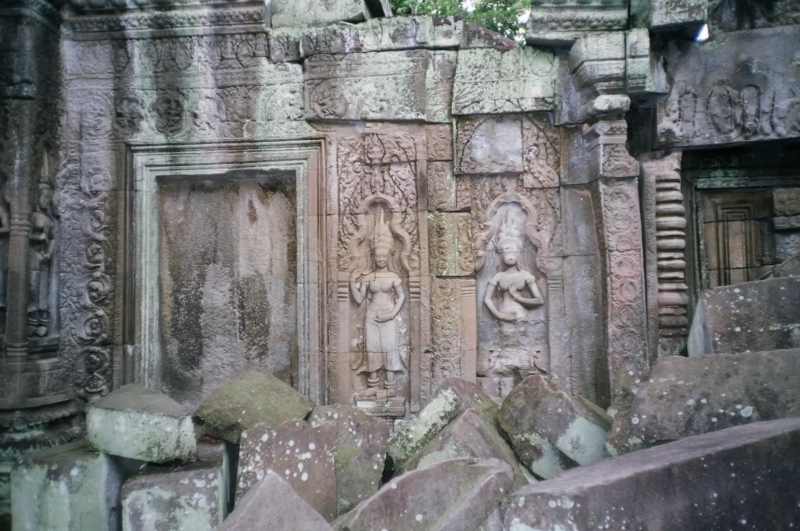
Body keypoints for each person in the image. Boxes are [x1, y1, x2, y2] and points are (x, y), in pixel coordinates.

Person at [350, 210, 406, 398]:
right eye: (377, 256)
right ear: (373, 256)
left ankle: (390, 387)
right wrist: (351, 282)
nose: (380, 259)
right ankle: (373, 384)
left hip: (388, 316)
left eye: (383, 256)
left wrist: (391, 314)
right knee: (372, 349)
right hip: (372, 317)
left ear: (389, 255)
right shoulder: (368, 277)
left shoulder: (394, 277)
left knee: (389, 349)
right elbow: (359, 299)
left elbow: (402, 297)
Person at [484, 215, 544, 323]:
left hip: (522, 316)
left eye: (513, 252)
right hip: (503, 314)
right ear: (501, 254)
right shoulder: (499, 276)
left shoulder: (525, 276)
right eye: (507, 252)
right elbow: (487, 299)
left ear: (519, 253)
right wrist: (500, 316)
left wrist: (519, 298)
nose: (510, 256)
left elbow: (539, 300)